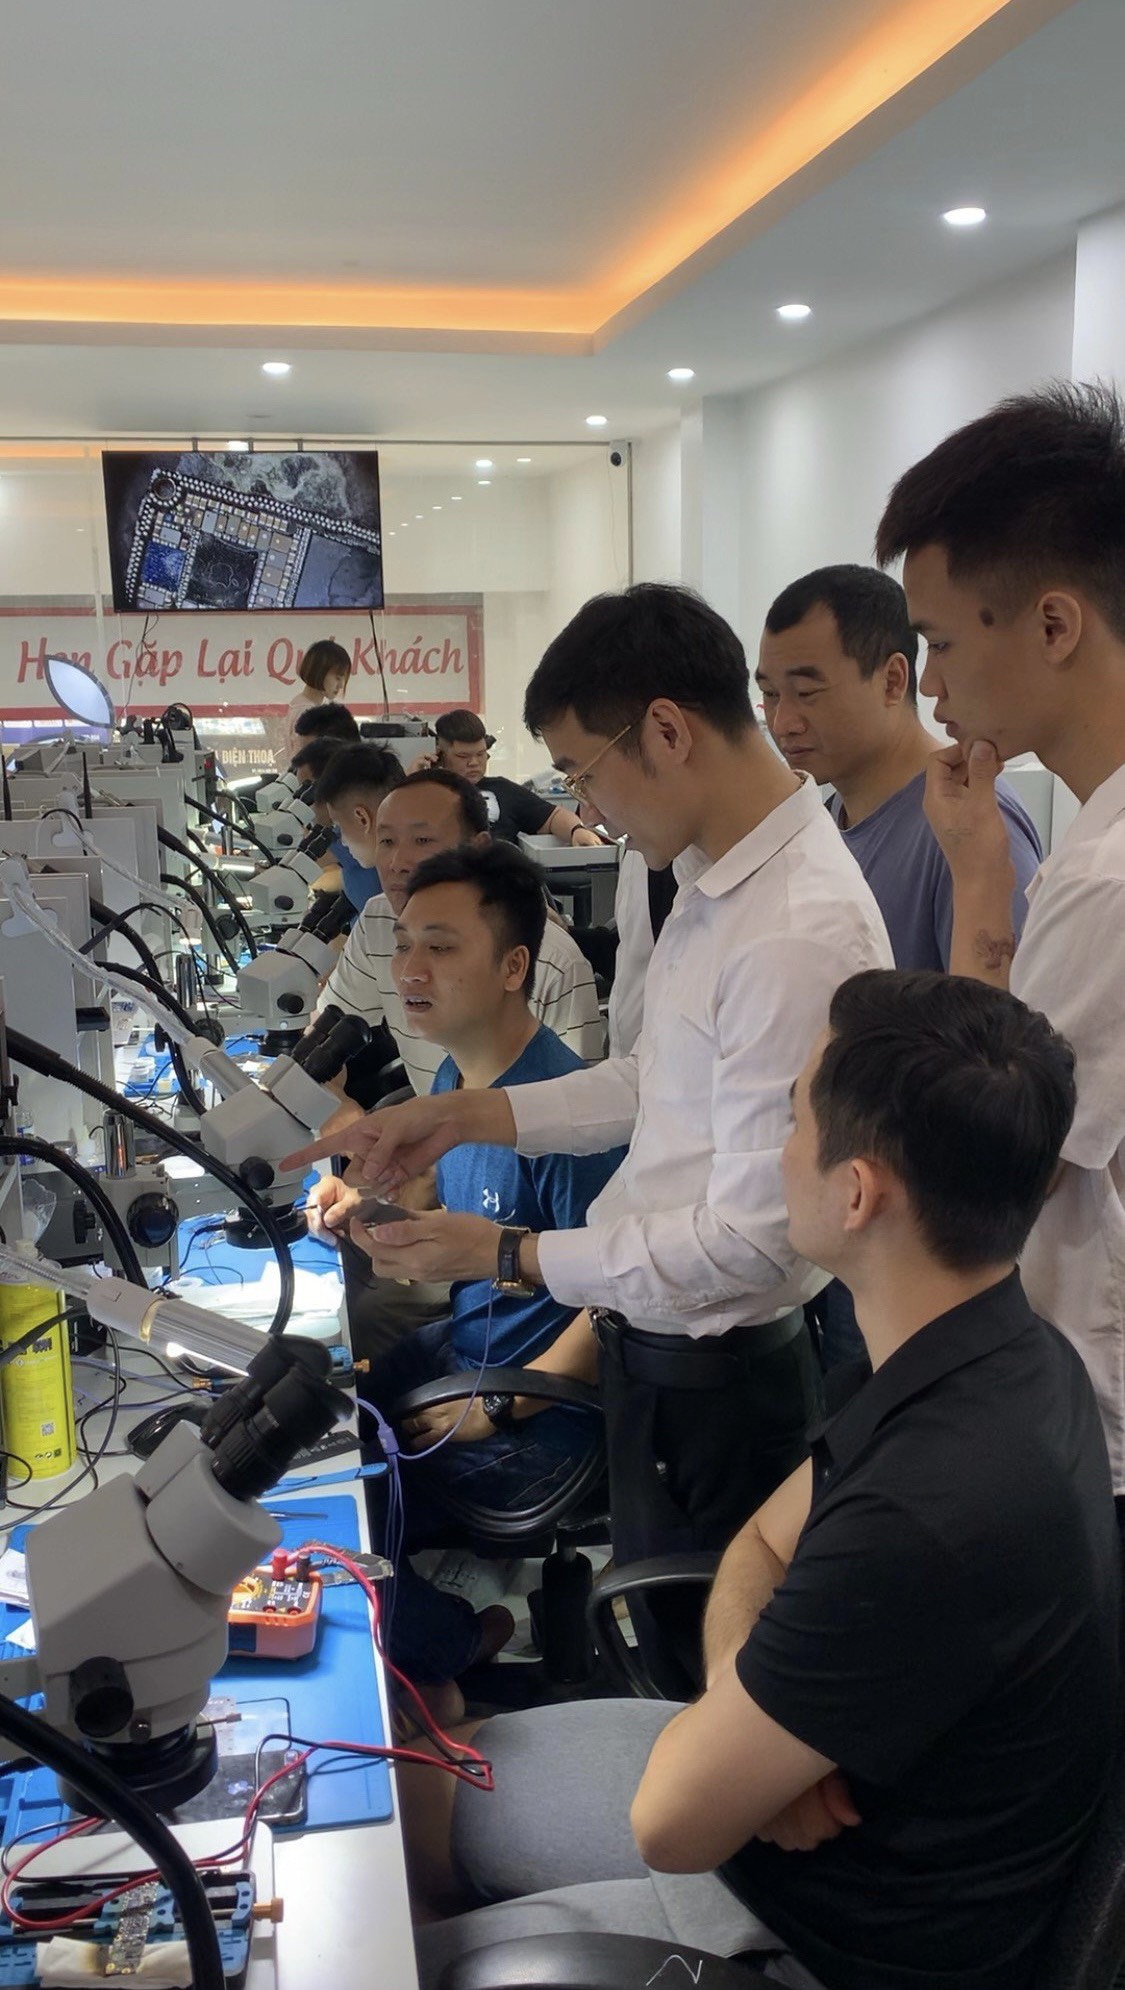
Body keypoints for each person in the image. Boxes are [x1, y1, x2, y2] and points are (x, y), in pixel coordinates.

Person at [402, 970, 1119, 1990]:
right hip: (779, 1811)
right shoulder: (997, 1350)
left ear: (856, 1192)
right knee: (415, 1787)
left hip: (823, 1937)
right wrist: (762, 1729)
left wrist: (740, 1739)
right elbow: (760, 1542)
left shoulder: (930, 1505)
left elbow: (672, 1823)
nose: (778, 1154)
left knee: (376, 1949)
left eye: (792, 1123)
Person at [287, 584, 892, 1676]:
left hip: (722, 1378)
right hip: (653, 1350)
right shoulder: (706, 880)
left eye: (581, 772)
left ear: (665, 730)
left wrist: (511, 1255)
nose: (587, 805)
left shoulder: (796, 926)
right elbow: (655, 1080)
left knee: (714, 1676)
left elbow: (753, 1240)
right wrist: (465, 1114)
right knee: (666, 1658)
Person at [875, 381, 1125, 1537]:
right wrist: (977, 866)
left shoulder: (1106, 878)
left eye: (939, 641)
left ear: (1055, 625)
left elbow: (993, 1156)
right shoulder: (1089, 851)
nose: (931, 684)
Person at [331, 841, 624, 1693]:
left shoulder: (565, 1118)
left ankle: (451, 1647)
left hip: (544, 1412)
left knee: (349, 1500)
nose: (410, 969)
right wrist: (367, 1205)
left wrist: (497, 1409)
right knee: (313, 1414)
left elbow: (616, 1306)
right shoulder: (459, 1077)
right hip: (467, 1348)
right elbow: (443, 1204)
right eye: (404, 945)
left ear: (513, 967)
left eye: (441, 946)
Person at [756, 565, 1042, 970]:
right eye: (769, 694)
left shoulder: (970, 823)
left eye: (807, 693)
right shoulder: (825, 819)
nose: (783, 722)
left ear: (892, 680)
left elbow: (1010, 1005)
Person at [310, 767, 605, 1097]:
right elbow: (325, 1033)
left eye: (422, 840)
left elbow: (577, 1106)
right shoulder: (379, 918)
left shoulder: (555, 960)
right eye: (387, 841)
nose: (397, 863)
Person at [430, 708, 603, 849]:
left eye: (480, 754)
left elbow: (553, 816)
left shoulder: (503, 789)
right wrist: (417, 775)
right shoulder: (427, 792)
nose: (474, 762)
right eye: (463, 756)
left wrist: (576, 830)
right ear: (440, 756)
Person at [268, 636, 352, 770]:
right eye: (337, 678)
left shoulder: (299, 705)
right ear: (320, 672)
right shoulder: (307, 711)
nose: (341, 685)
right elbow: (305, 763)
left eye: (343, 679)